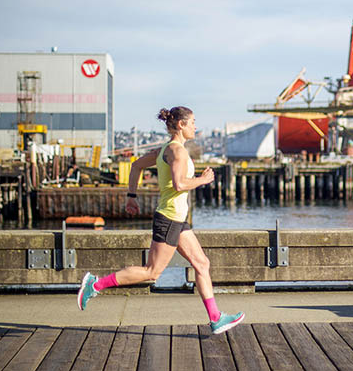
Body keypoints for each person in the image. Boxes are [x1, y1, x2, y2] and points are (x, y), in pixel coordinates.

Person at [78, 106, 245, 335]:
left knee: (202, 264)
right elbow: (179, 184)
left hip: (177, 219)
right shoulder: (177, 152)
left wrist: (132, 196)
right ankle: (94, 285)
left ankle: (215, 318)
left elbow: (136, 166)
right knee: (152, 272)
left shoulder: (164, 149)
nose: (196, 126)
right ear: (181, 125)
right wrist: (203, 180)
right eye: (193, 122)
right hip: (169, 219)